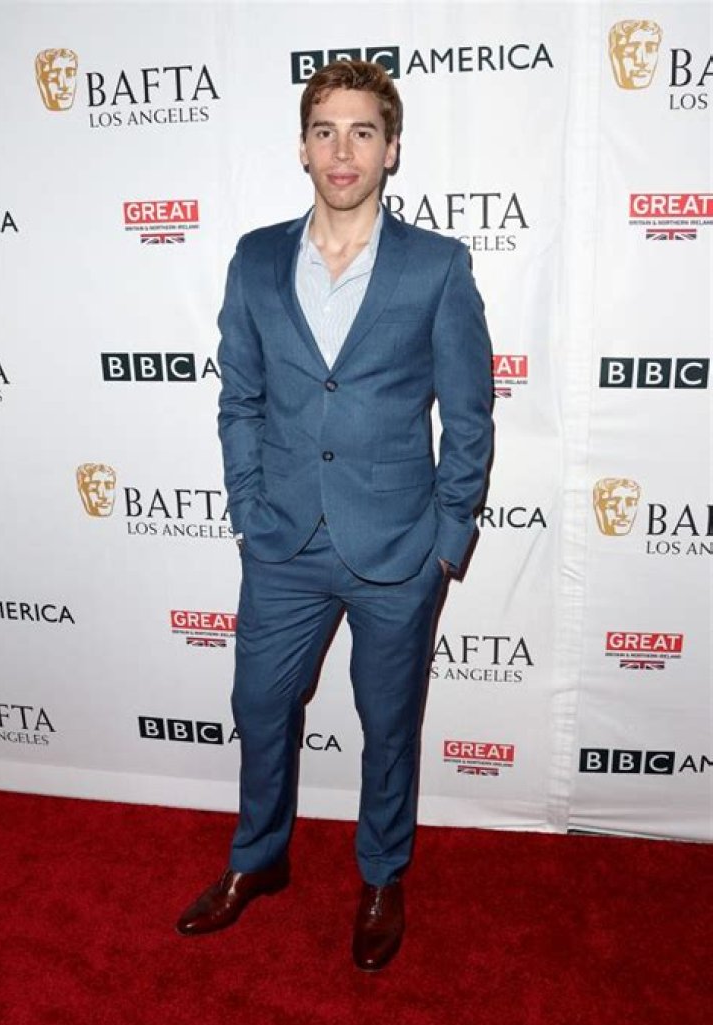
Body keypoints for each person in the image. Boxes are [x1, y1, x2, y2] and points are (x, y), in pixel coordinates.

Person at [177, 59, 493, 971]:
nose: (342, 150)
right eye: (326, 131)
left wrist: (447, 542)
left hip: (399, 548)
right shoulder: (255, 258)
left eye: (362, 132)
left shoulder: (437, 266)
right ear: (303, 148)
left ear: (391, 149)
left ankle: (382, 875)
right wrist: (247, 510)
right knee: (259, 703)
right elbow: (240, 399)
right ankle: (258, 856)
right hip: (283, 541)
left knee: (388, 724)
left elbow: (469, 416)